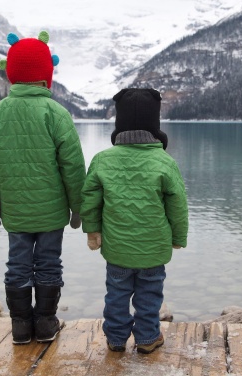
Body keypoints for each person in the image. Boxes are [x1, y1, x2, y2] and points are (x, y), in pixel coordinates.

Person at [0, 31, 85, 344]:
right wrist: (78, 205)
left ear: (12, 74)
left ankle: (21, 327)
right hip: (51, 213)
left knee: (18, 265)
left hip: (15, 212)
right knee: (49, 264)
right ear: (46, 77)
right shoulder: (57, 114)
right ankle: (47, 324)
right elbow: (73, 166)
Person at [80, 88, 189, 354]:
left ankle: (116, 339)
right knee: (149, 296)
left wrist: (92, 231)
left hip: (117, 249)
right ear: (155, 125)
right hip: (153, 249)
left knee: (116, 295)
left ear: (120, 124)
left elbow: (90, 200)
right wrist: (178, 237)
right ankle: (148, 338)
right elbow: (178, 206)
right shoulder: (165, 162)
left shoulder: (102, 160)